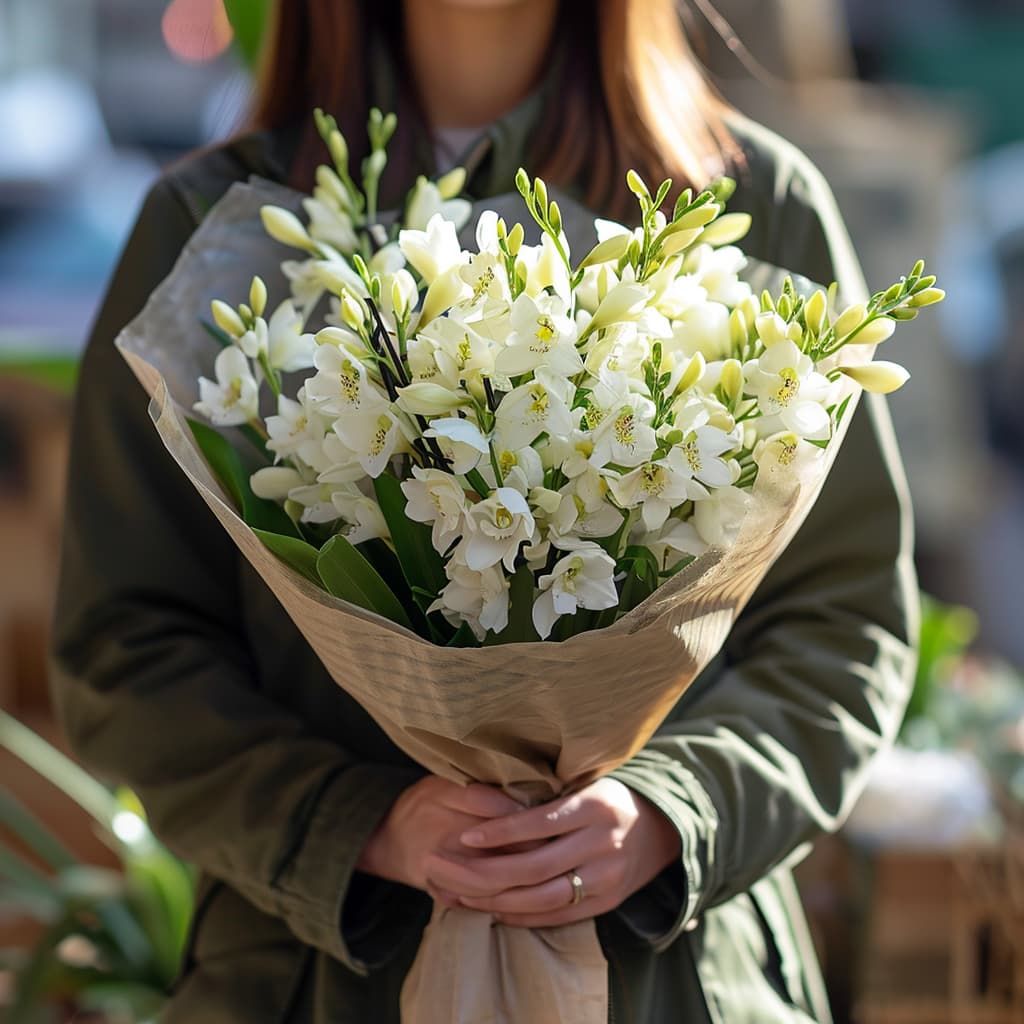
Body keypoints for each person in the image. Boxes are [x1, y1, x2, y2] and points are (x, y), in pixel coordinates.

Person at [50, 1, 916, 1022]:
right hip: (315, 980)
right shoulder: (211, 226)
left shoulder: (747, 200)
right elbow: (128, 642)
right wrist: (361, 825)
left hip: (673, 979)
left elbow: (841, 620)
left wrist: (670, 809)